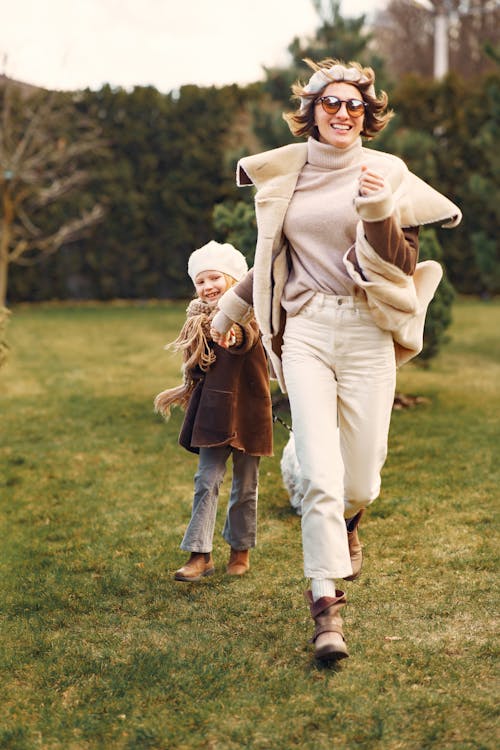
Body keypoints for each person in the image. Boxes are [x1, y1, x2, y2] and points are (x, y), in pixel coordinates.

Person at [210, 58, 462, 661]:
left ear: (367, 116)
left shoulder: (388, 173)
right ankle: (325, 606)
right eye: (331, 103)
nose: (343, 112)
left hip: (368, 328)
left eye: (354, 105)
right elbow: (270, 255)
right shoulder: (289, 174)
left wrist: (376, 212)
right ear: (312, 113)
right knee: (323, 480)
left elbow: (399, 267)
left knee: (362, 477)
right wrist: (228, 312)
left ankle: (350, 518)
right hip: (308, 332)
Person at [154, 240, 273, 582]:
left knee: (246, 484)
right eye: (201, 281)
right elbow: (195, 366)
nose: (208, 287)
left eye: (215, 279)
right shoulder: (196, 322)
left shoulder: (251, 314)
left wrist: (234, 335)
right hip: (214, 410)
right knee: (206, 480)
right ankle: (200, 554)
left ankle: (240, 548)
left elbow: (246, 337)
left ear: (233, 280)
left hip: (250, 410)